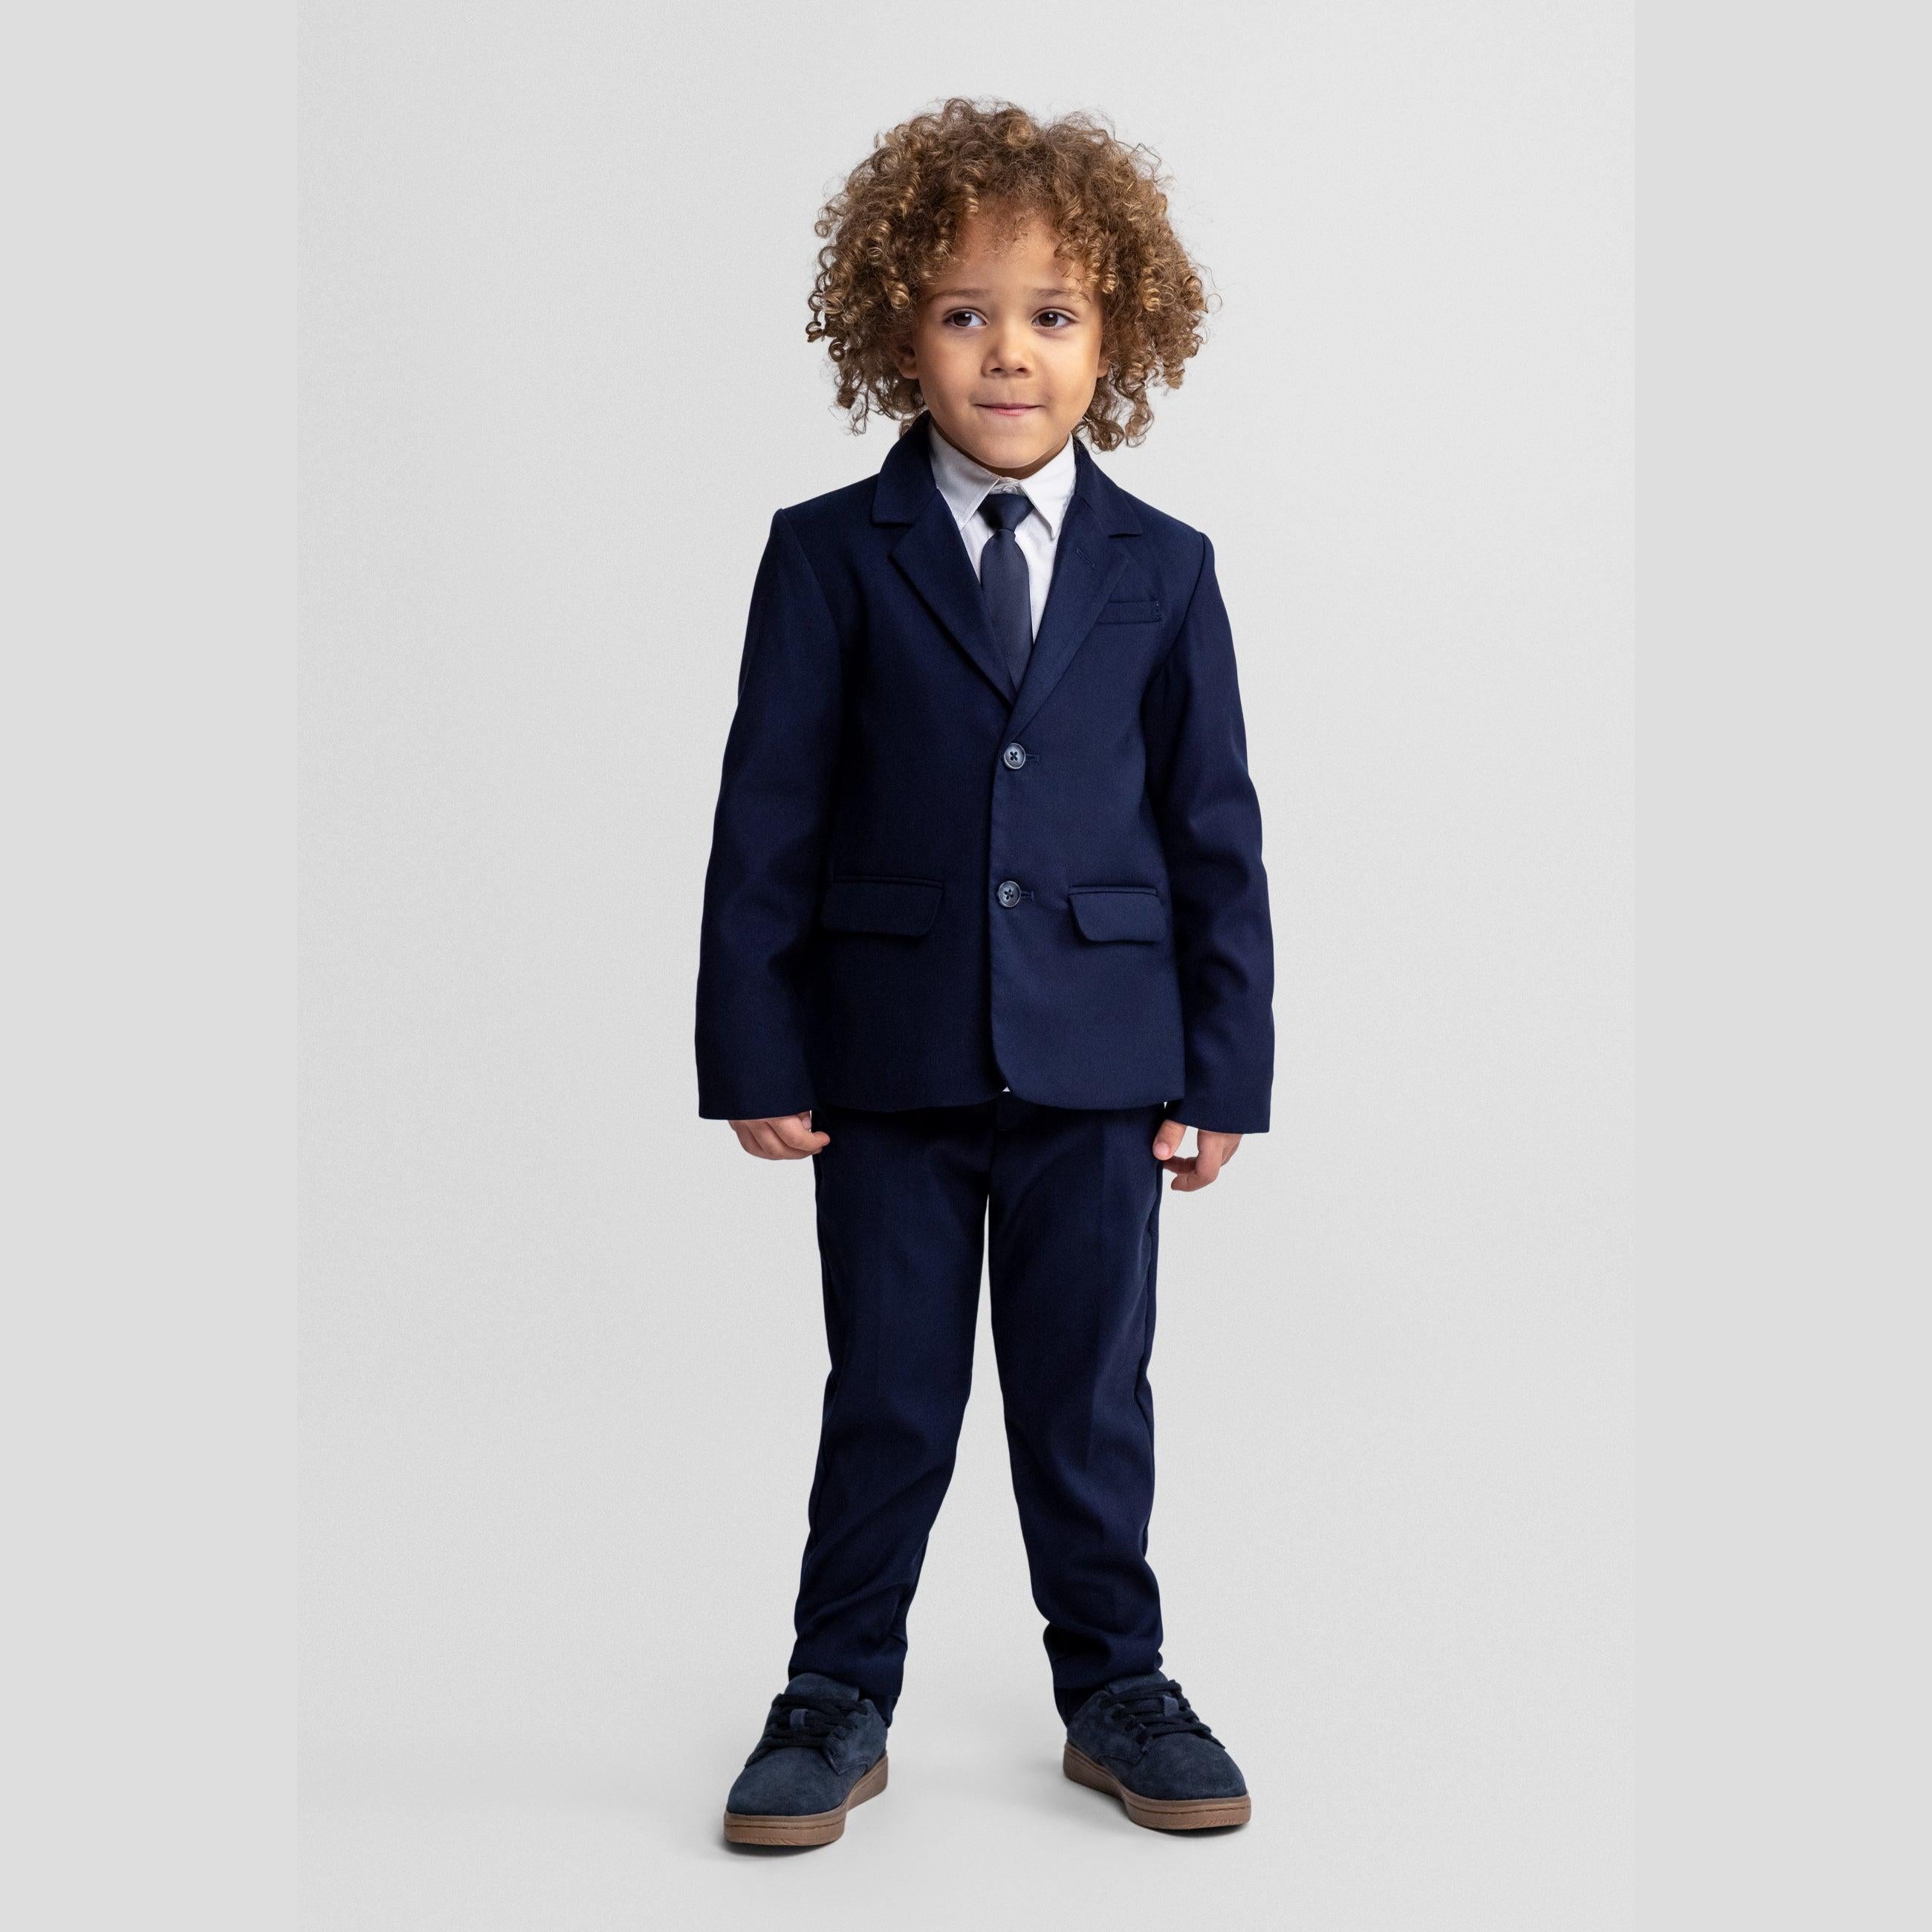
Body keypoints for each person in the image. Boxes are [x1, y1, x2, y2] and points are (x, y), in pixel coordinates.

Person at [695, 96, 1273, 1846]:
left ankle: (1117, 1685)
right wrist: (754, 1047)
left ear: (1122, 335)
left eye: (1051, 314)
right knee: (887, 1388)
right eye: (962, 311)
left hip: (1102, 1061)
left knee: (1089, 1391)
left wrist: (1225, 1068)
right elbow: (766, 814)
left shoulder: (1163, 574)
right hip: (885, 1056)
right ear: (895, 327)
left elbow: (1214, 832)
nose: (1006, 352)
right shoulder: (824, 553)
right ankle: (834, 1691)